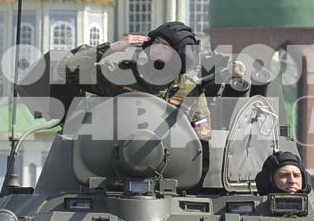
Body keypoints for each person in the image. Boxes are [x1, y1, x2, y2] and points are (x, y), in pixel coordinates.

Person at [57, 22, 211, 138]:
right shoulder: (124, 75)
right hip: (112, 155)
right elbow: (67, 69)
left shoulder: (188, 90)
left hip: (167, 164)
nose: (156, 48)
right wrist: (113, 47)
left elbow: (203, 135)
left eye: (165, 47)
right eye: (156, 42)